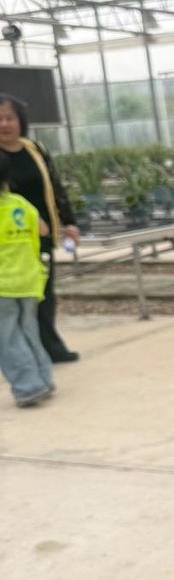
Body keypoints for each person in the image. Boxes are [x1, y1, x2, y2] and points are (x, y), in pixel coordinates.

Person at [0, 94, 80, 362]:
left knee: (44, 291)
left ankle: (49, 347)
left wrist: (69, 222)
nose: (4, 124)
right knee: (13, 298)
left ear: (20, 121)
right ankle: (23, 353)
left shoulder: (35, 149)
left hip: (40, 235)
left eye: (9, 118)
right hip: (9, 240)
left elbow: (55, 187)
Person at [0, 150, 54, 407]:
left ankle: (28, 387)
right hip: (30, 280)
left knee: (8, 338)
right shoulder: (20, 203)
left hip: (3, 286)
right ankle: (44, 379)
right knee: (30, 332)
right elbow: (43, 229)